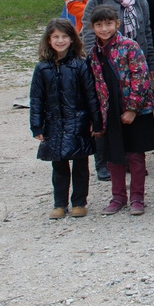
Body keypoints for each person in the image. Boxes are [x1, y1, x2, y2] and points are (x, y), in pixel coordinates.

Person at [86, 5, 154, 216]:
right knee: (113, 156)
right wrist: (97, 117)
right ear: (92, 27)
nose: (104, 29)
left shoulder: (130, 46)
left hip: (135, 111)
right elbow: (93, 85)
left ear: (117, 24)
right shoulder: (93, 53)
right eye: (99, 25)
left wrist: (133, 109)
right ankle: (118, 196)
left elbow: (141, 78)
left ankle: (137, 197)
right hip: (110, 112)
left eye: (108, 24)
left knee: (135, 156)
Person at [30, 19, 102, 219]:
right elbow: (36, 98)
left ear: (72, 39)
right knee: (59, 166)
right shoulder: (42, 68)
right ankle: (59, 204)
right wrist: (37, 126)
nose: (60, 41)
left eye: (64, 36)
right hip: (54, 124)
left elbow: (91, 95)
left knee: (80, 165)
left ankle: (79, 202)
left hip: (79, 122)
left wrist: (96, 122)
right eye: (56, 37)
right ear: (49, 39)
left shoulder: (81, 65)